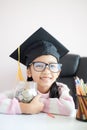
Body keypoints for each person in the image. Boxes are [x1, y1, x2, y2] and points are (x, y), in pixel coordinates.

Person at [0, 27, 75, 115]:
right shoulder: (22, 90)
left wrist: (35, 102)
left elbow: (69, 108)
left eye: (53, 66)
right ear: (29, 71)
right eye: (39, 65)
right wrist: (24, 107)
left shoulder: (61, 89)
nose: (47, 71)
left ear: (58, 72)